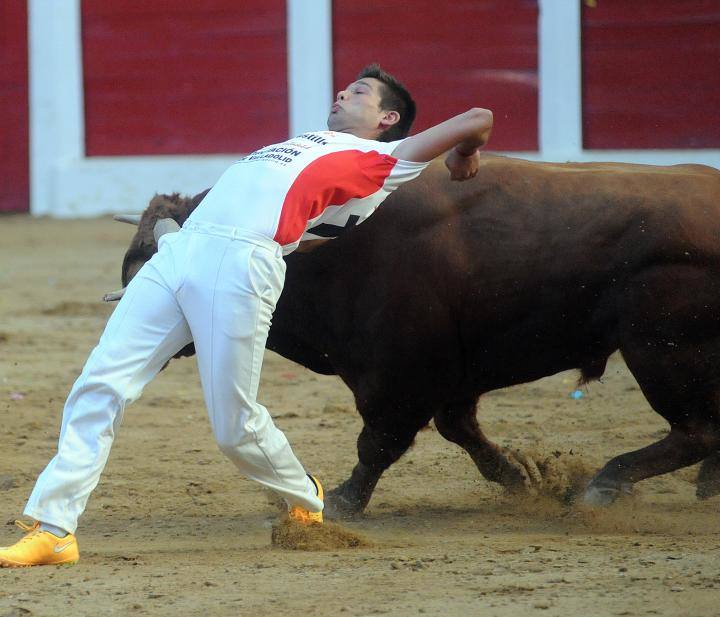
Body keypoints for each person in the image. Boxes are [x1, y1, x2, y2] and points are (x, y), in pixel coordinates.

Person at [0, 63, 493, 567]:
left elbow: (478, 115)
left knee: (234, 426)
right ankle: (53, 528)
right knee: (98, 384)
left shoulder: (386, 157)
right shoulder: (305, 143)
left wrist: (463, 152)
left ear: (388, 117)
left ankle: (304, 497)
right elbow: (309, 231)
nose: (342, 94)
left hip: (242, 263)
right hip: (181, 253)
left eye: (359, 92)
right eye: (343, 89)